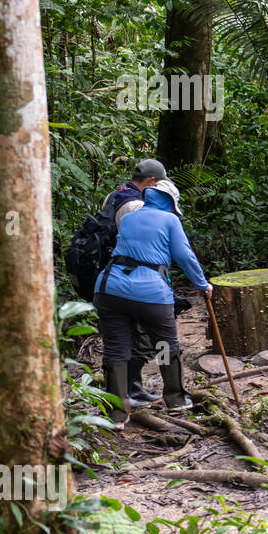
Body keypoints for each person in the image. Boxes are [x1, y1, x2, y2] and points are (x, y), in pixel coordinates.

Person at [94, 179, 212, 424]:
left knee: (116, 349)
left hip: (109, 288)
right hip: (150, 292)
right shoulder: (171, 220)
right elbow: (184, 256)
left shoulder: (127, 218)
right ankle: (176, 399)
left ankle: (115, 414)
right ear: (171, 204)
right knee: (165, 345)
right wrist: (202, 285)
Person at [104, 158, 168, 408]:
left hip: (114, 275)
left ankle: (133, 387)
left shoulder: (115, 195)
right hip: (130, 277)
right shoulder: (135, 206)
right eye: (160, 185)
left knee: (127, 335)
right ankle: (124, 393)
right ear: (151, 182)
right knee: (136, 335)